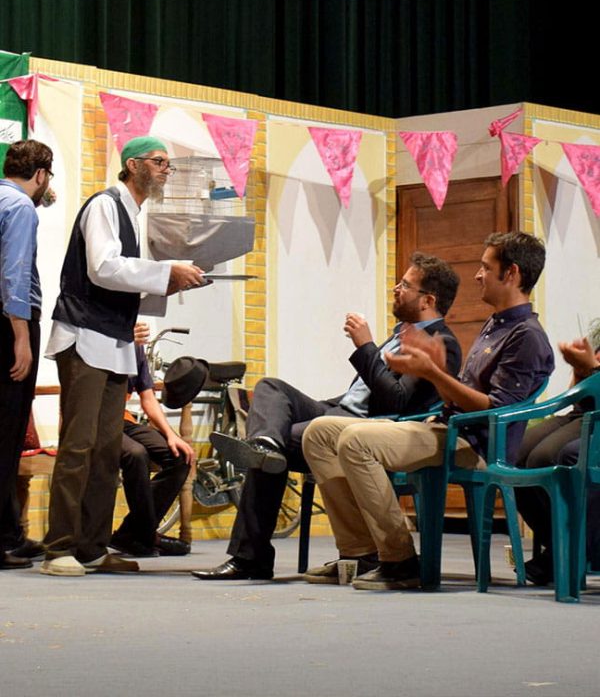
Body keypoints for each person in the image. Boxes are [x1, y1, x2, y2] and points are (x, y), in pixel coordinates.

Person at [302, 231, 554, 590]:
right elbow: (462, 396)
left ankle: (400, 559)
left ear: (511, 273)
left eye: (486, 267)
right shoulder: (496, 324)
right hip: (446, 429)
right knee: (319, 432)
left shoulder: (526, 335)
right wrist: (433, 372)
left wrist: (433, 373)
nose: (478, 275)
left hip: (477, 446)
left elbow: (496, 410)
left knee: (356, 440)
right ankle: (360, 553)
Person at [191, 252, 462, 581]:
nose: (396, 288)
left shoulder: (439, 342)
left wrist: (366, 347)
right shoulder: (400, 334)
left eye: (405, 285)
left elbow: (397, 401)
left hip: (370, 429)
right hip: (339, 411)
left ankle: (252, 556)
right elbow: (362, 393)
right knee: (271, 389)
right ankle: (264, 445)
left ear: (428, 300)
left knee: (276, 448)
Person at [40, 135, 206, 577]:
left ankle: (92, 547)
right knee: (79, 446)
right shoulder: (105, 205)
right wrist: (164, 271)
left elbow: (124, 282)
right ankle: (59, 547)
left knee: (106, 450)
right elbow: (103, 268)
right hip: (84, 336)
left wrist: (169, 281)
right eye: (159, 162)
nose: (166, 170)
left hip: (115, 343)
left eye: (168, 164)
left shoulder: (133, 214)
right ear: (133, 165)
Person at [0, 140, 54, 571]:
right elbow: (14, 272)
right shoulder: (20, 207)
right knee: (7, 434)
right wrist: (21, 336)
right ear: (40, 174)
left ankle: (10, 533)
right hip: (9, 324)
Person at [516, 332, 600, 586]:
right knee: (515, 454)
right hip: (583, 411)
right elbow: (578, 392)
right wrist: (581, 369)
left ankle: (570, 550)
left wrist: (592, 368)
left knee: (553, 457)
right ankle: (559, 544)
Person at [110, 322, 195, 557]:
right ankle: (147, 535)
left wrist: (171, 435)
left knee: (180, 456)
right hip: (100, 420)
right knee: (136, 454)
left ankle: (132, 533)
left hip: (124, 419)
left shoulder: (137, 349)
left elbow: (147, 397)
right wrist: (121, 340)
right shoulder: (107, 340)